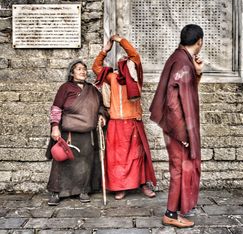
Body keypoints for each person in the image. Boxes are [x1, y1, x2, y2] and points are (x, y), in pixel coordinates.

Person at [149, 24, 204, 228]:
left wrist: (197, 73)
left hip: (175, 126)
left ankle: (177, 209)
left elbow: (187, 91)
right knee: (179, 169)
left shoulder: (179, 57)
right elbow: (173, 102)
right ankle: (171, 213)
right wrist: (183, 133)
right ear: (199, 42)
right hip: (177, 127)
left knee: (179, 167)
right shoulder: (182, 62)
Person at [92, 34, 157, 200]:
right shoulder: (111, 78)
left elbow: (135, 56)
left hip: (133, 123)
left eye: (128, 63)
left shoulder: (136, 80)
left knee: (138, 156)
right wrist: (105, 50)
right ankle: (120, 187)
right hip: (115, 124)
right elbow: (96, 67)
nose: (127, 65)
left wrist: (121, 41)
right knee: (117, 158)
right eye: (124, 62)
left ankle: (143, 184)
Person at [45, 59, 107, 206]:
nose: (83, 71)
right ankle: (56, 192)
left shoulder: (92, 89)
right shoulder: (65, 88)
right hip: (68, 133)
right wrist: (55, 127)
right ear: (72, 73)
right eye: (79, 69)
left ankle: (83, 190)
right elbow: (56, 108)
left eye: (84, 69)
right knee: (61, 162)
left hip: (87, 134)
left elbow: (101, 107)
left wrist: (101, 115)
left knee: (85, 163)